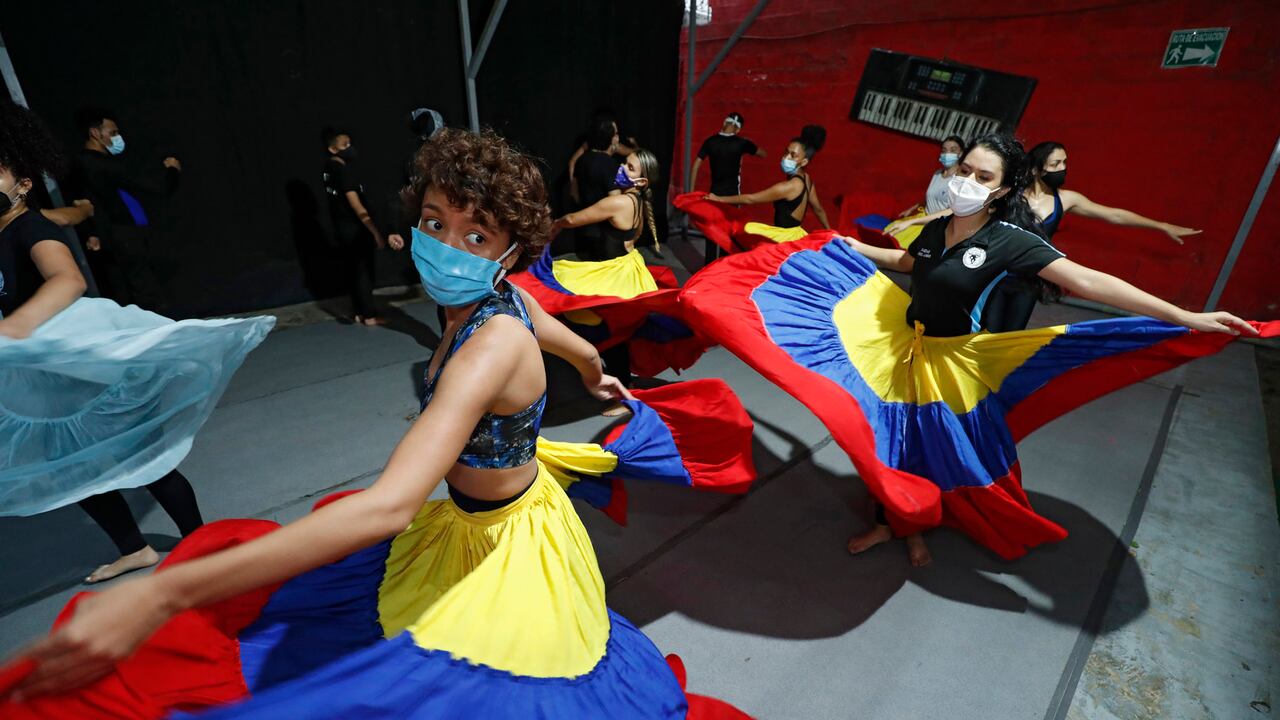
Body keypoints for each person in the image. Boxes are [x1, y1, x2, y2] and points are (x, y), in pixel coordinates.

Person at [6, 130, 702, 716]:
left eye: (475, 233)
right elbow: (564, 334)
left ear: (509, 250)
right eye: (435, 221)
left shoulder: (489, 343)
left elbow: (390, 506)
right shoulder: (497, 298)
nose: (447, 244)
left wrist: (162, 594)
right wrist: (592, 370)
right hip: (465, 522)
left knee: (469, 689)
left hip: (507, 542)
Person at [839, 133, 1252, 565]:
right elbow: (910, 263)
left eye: (983, 176)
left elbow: (1089, 281)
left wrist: (1186, 317)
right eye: (964, 171)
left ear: (1002, 190)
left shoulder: (1010, 239)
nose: (967, 182)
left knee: (935, 449)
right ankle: (890, 521)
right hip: (904, 347)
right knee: (892, 443)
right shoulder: (938, 226)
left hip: (953, 363)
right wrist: (858, 248)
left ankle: (917, 525)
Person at [0, 102, 251, 584]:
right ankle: (135, 549)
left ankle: (201, 542)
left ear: (23, 185)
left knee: (142, 457)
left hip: (83, 368)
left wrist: (16, 327)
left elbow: (66, 279)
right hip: (47, 375)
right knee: (76, 470)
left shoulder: (30, 227)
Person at [550, 149, 662, 399]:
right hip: (625, 267)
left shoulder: (619, 202)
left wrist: (553, 226)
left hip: (616, 274)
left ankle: (622, 392)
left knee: (608, 330)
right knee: (612, 330)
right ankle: (613, 378)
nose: (622, 168)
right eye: (624, 163)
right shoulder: (637, 200)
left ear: (641, 181)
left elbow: (572, 218)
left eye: (630, 168)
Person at [69, 107, 180, 312]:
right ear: (95, 134)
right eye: (113, 133)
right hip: (121, 233)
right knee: (143, 288)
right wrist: (173, 170)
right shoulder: (102, 164)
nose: (118, 138)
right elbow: (157, 187)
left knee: (134, 285)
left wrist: (91, 233)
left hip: (117, 233)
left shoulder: (81, 164)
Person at [706, 124, 831, 231]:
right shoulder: (807, 179)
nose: (786, 157)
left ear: (804, 162)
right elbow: (818, 209)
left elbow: (751, 199)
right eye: (786, 152)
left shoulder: (788, 187)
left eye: (793, 155)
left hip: (783, 240)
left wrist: (719, 199)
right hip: (796, 236)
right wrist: (831, 232)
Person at [321, 126, 387, 326]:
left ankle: (358, 312)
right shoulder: (342, 172)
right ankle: (369, 315)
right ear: (333, 149)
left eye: (350, 144)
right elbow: (356, 204)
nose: (349, 148)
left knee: (352, 270)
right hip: (355, 230)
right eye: (344, 145)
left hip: (341, 229)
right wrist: (375, 232)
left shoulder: (328, 170)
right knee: (364, 272)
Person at [691, 113, 766, 263]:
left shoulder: (711, 142)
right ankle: (725, 264)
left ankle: (709, 265)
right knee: (729, 232)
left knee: (711, 231)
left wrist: (692, 192)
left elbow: (696, 165)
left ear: (724, 123)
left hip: (714, 194)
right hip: (732, 196)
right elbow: (762, 154)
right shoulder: (741, 143)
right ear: (738, 129)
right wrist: (747, 147)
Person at [880, 134, 965, 245]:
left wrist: (913, 222)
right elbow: (930, 197)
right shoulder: (937, 174)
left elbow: (951, 211)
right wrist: (911, 209)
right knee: (890, 235)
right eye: (944, 150)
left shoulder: (960, 180)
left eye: (953, 150)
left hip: (935, 226)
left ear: (961, 153)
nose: (947, 154)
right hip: (922, 217)